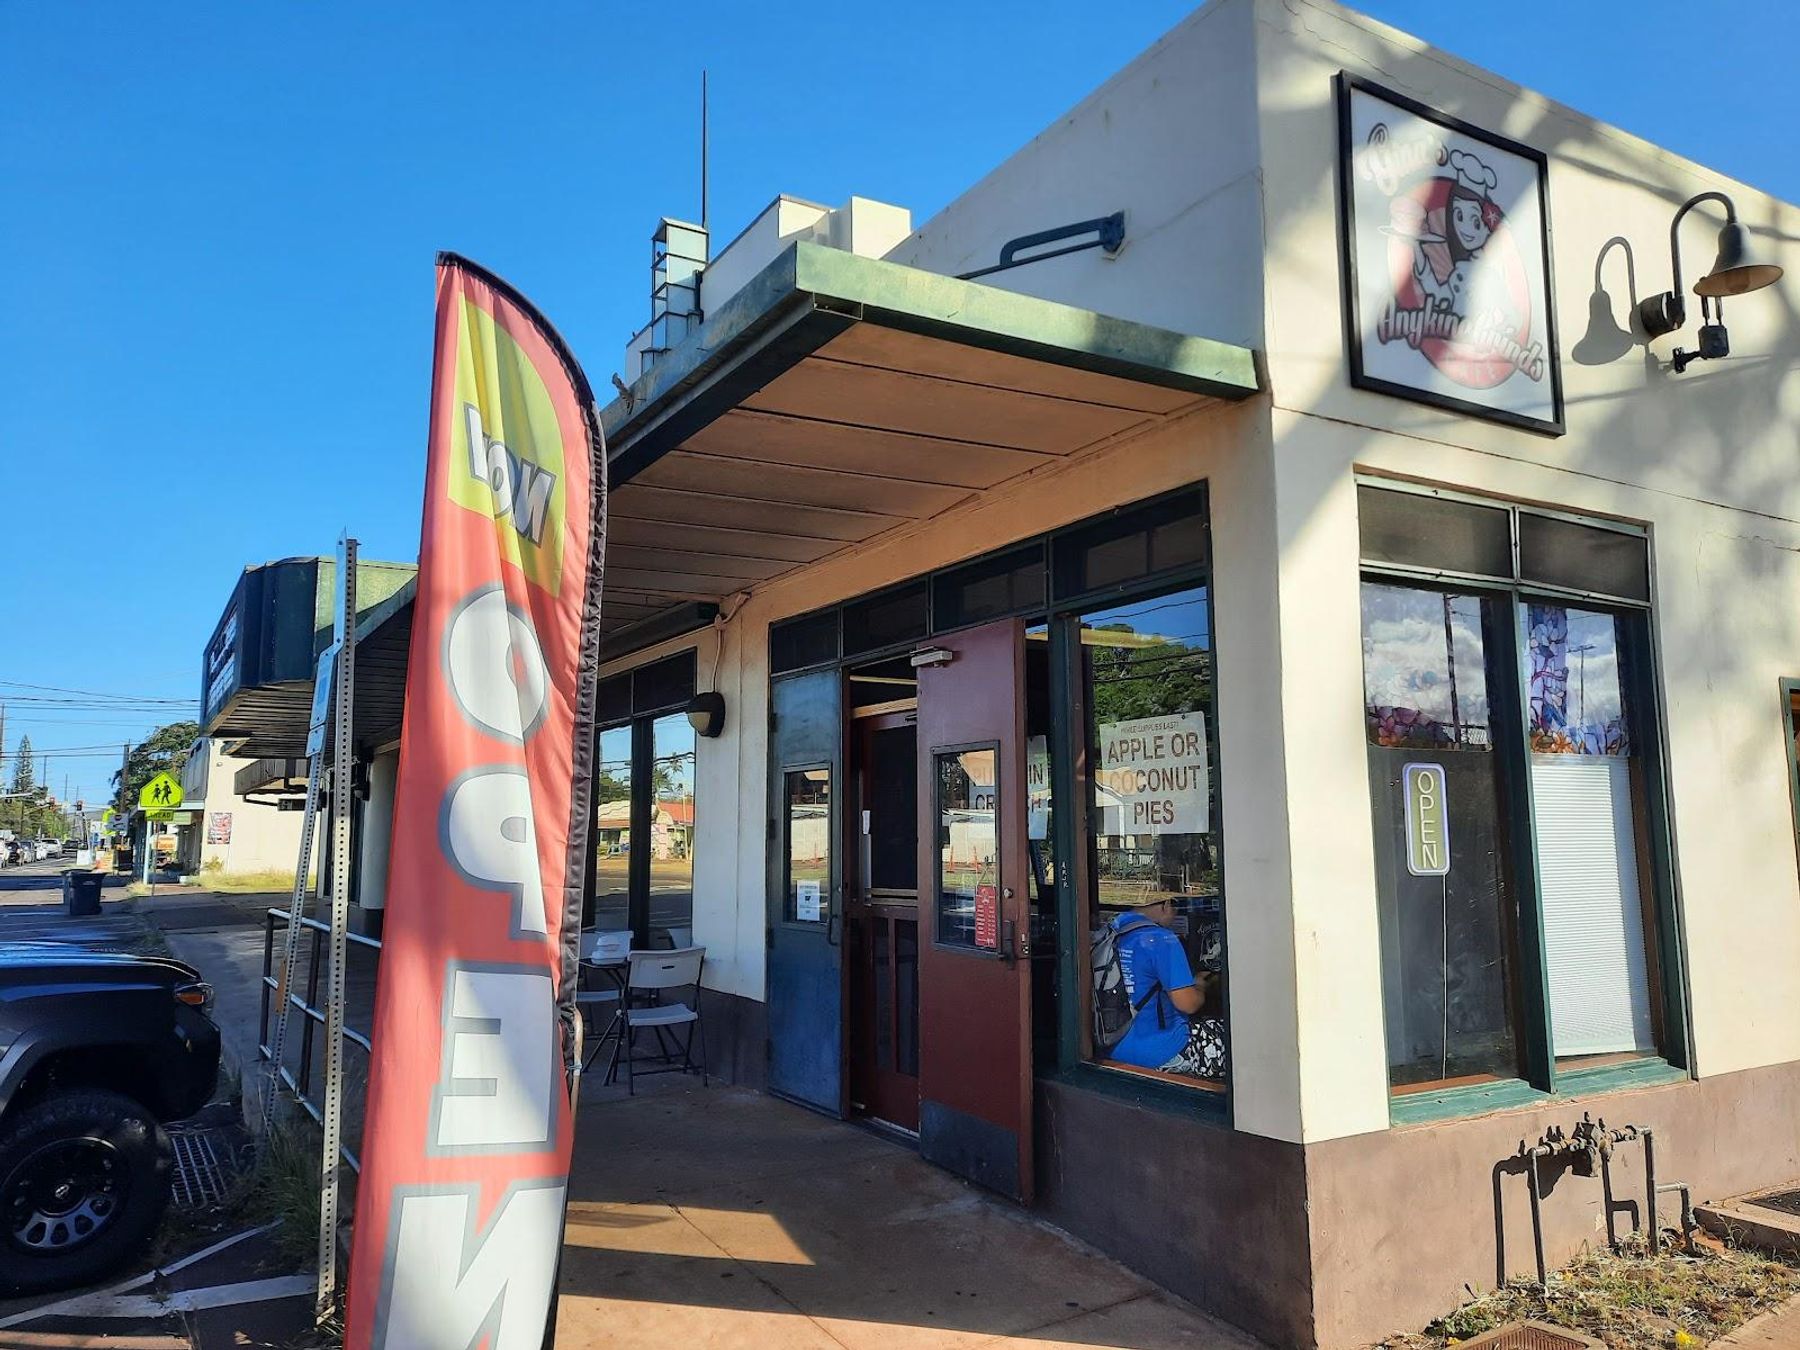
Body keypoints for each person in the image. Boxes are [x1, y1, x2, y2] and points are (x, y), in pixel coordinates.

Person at [1101, 894, 1226, 1080]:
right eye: (1177, 909)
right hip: (1161, 1051)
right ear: (1166, 905)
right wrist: (1200, 986)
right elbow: (1188, 1004)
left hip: (1113, 1046)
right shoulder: (1162, 940)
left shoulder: (1110, 931)